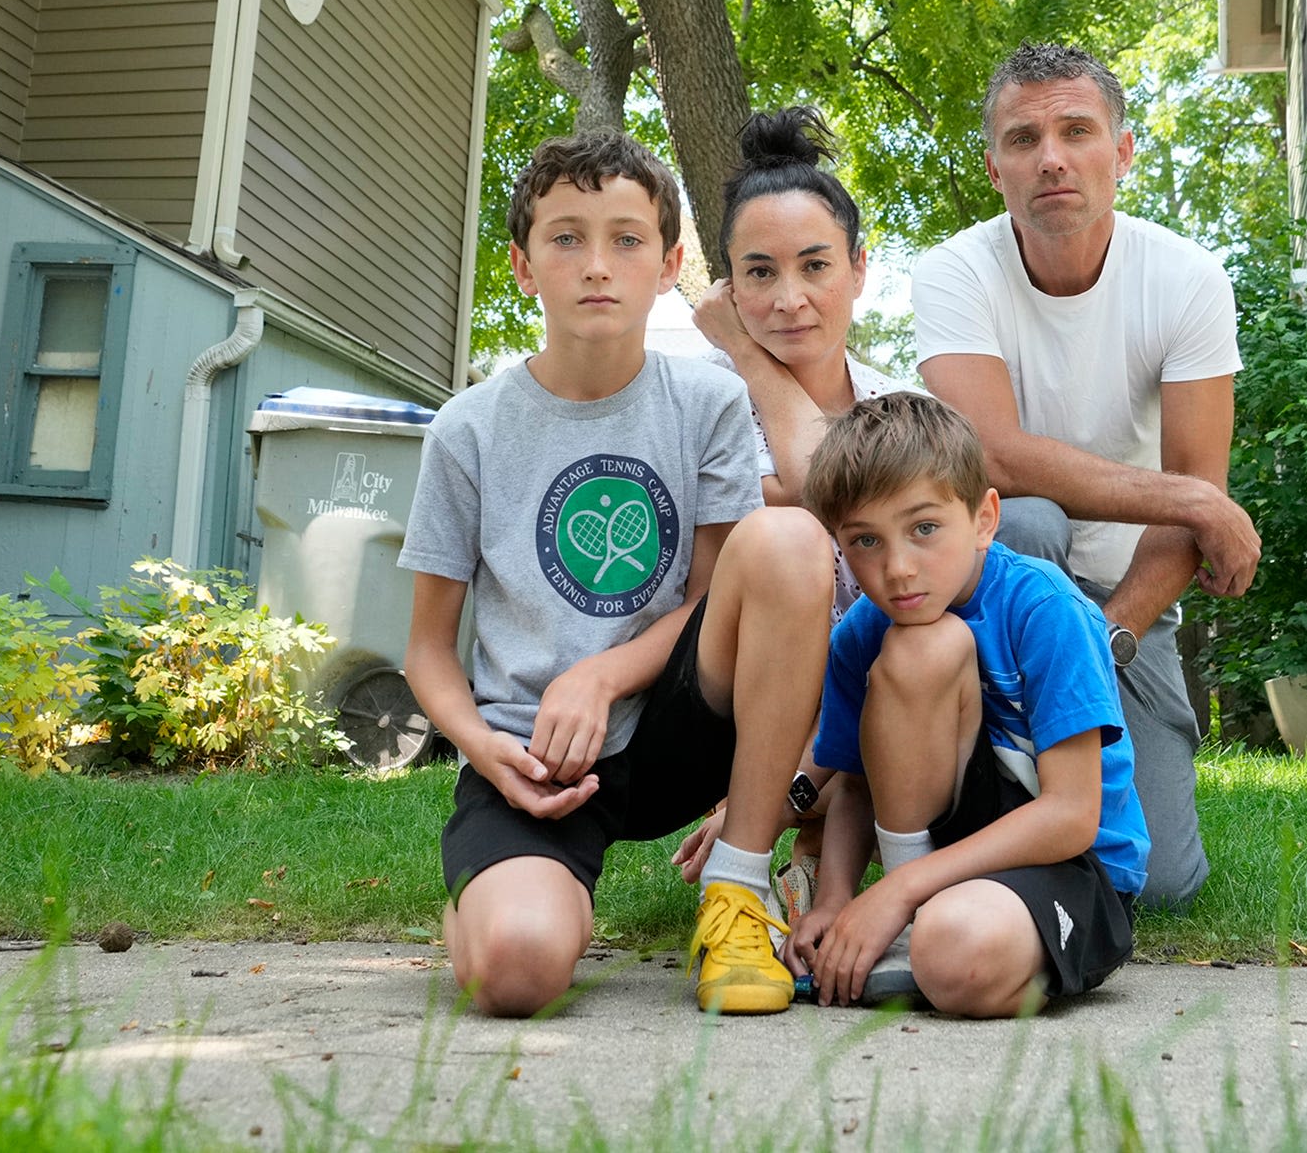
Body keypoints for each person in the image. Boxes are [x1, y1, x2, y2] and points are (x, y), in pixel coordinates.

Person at [399, 130, 835, 1017]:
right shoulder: (468, 431)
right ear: (523, 267)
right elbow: (426, 651)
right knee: (515, 975)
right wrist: (481, 747)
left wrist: (604, 671)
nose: (598, 264)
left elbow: (715, 598)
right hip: (534, 752)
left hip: (677, 725)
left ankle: (739, 893)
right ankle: (495, 900)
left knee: (787, 539)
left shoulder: (708, 402)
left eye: (627, 239)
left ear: (670, 264)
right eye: (566, 238)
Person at [910, 43, 1259, 911]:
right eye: (1024, 138)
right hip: (993, 588)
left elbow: (1190, 530)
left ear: (1123, 151)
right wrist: (1189, 497)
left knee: (1166, 886)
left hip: (1126, 602)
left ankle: (1040, 815)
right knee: (1022, 518)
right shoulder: (955, 273)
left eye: (1076, 130)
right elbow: (986, 455)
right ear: (996, 168)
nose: (1052, 157)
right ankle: (972, 824)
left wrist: (1101, 644)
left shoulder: (1186, 279)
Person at [789, 392, 1149, 1015]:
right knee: (919, 649)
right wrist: (834, 900)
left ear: (984, 518)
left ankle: (933, 930)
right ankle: (912, 928)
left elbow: (1071, 815)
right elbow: (852, 785)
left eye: (924, 528)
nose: (898, 568)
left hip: (1069, 861)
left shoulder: (1045, 609)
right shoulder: (861, 633)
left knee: (957, 955)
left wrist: (899, 889)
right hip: (945, 857)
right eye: (865, 541)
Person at [671, 107, 909, 913]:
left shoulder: (900, 406)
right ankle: (781, 848)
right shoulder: (693, 397)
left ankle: (808, 852)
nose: (788, 299)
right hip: (726, 698)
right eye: (760, 273)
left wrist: (789, 792)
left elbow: (826, 484)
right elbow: (818, 499)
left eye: (815, 266)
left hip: (875, 708)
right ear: (727, 285)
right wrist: (739, 358)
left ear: (859, 268)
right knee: (794, 544)